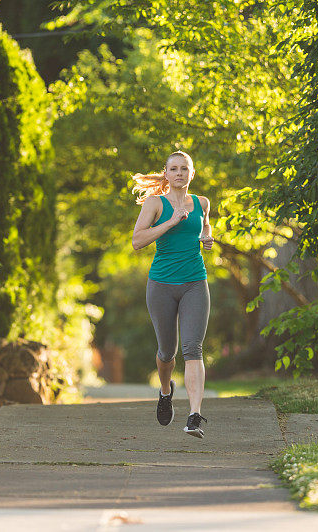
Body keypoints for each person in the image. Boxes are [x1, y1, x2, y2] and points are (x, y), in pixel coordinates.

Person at [131, 151, 213, 438]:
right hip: (162, 285)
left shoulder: (202, 203)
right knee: (167, 353)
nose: (179, 173)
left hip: (195, 283)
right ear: (165, 174)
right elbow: (137, 241)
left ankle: (194, 416)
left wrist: (207, 236)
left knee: (193, 349)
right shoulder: (156, 203)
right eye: (173, 169)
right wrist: (170, 223)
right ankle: (166, 391)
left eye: (184, 169)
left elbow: (204, 225)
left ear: (192, 173)